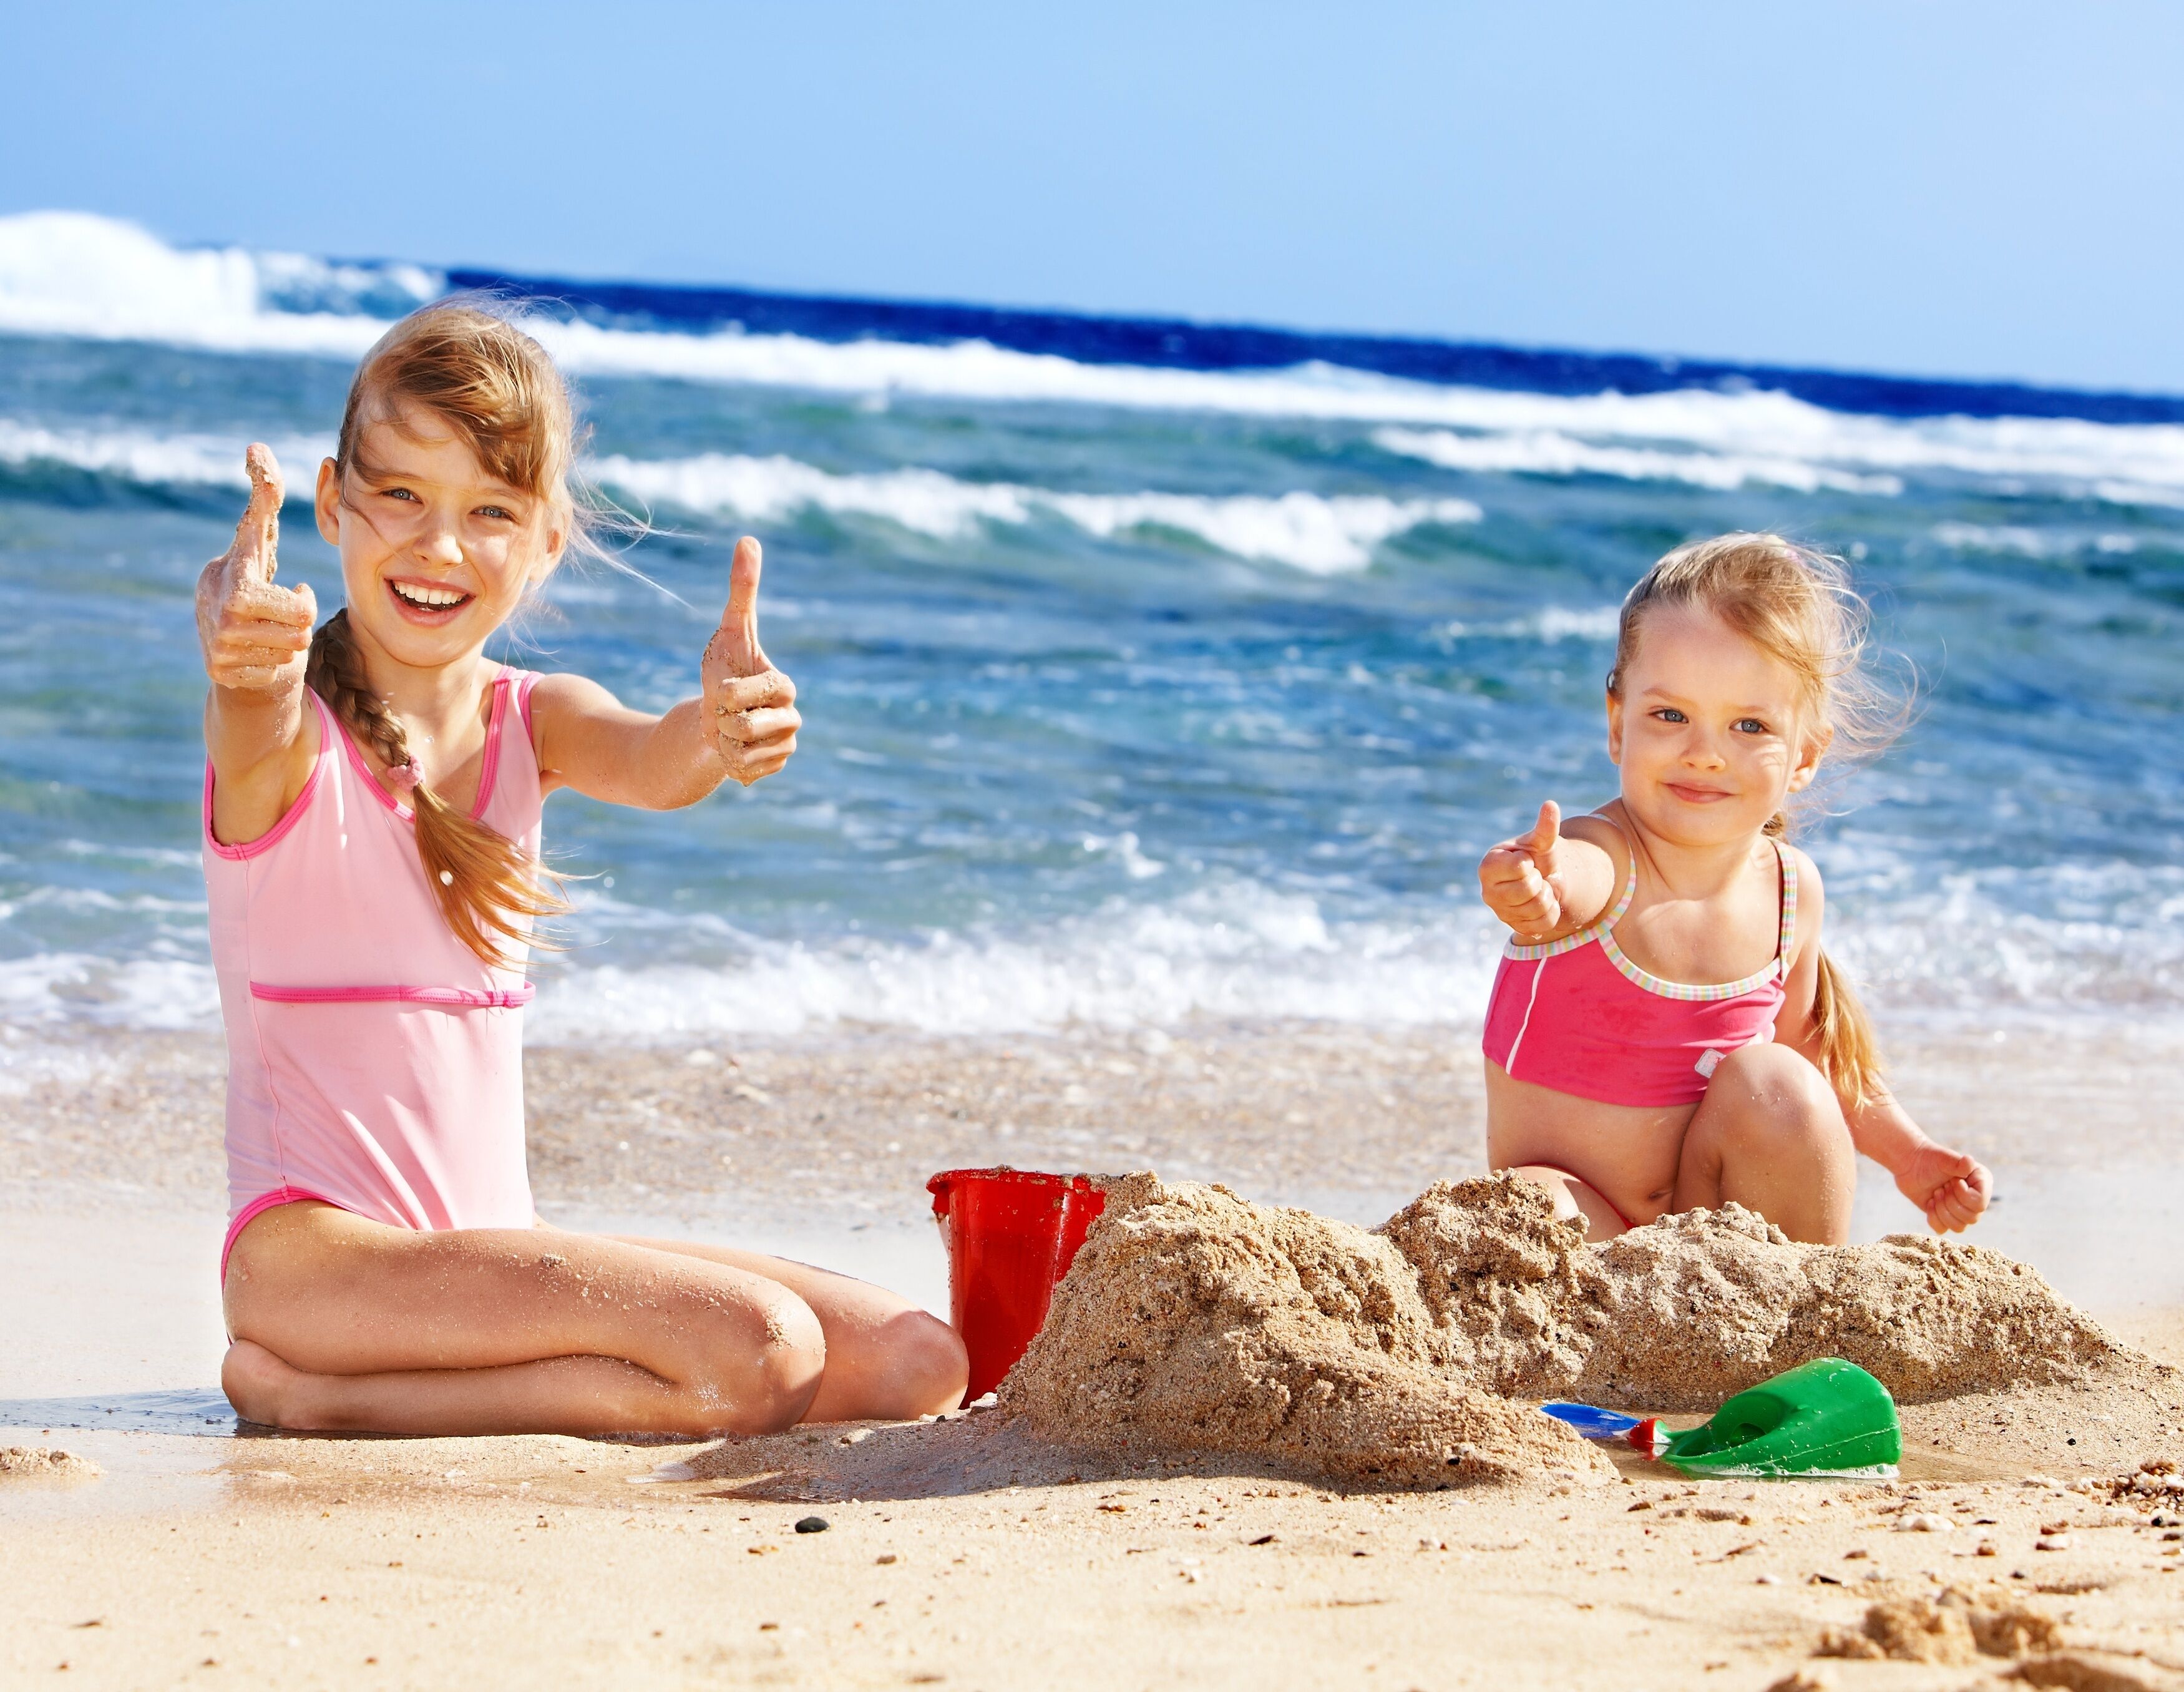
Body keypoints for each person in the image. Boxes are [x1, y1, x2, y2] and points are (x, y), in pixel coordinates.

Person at [198, 301, 967, 1435]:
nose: (439, 545)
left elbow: (658, 760)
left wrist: (718, 726)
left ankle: (352, 1392)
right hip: (315, 1257)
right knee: (756, 1352)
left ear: (548, 538)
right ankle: (321, 1391)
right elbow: (250, 714)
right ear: (331, 502)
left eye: (490, 512)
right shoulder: (289, 734)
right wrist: (243, 661)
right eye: (401, 495)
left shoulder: (534, 721)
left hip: (491, 1249)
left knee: (918, 1363)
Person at [1476, 532, 1992, 1245]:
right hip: (1581, 1225)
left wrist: (1909, 1156)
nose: (1705, 751)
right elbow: (1570, 878)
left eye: (1748, 724)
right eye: (1669, 715)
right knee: (1528, 1207)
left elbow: (1813, 1053)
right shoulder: (1609, 857)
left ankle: (1802, 1306)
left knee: (1777, 1082)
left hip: (1719, 1244)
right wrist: (1529, 882)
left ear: (1804, 755)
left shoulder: (1789, 892)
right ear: (1616, 723)